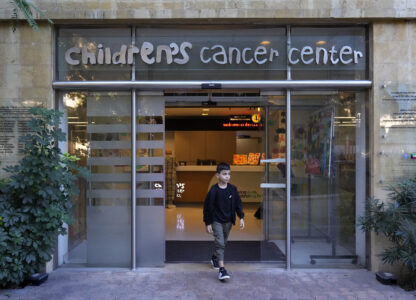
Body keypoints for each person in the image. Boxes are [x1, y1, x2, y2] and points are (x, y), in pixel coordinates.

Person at [203, 162, 245, 281]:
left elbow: (238, 204)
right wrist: (207, 222)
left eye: (229, 174)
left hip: (228, 221)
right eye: (224, 174)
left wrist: (241, 217)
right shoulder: (214, 190)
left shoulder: (232, 189)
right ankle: (222, 270)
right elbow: (207, 207)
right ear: (218, 175)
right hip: (216, 220)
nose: (227, 176)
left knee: (223, 242)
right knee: (220, 243)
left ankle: (214, 258)